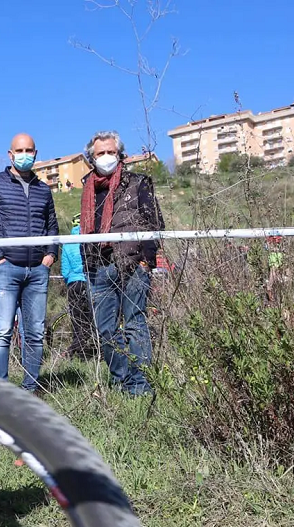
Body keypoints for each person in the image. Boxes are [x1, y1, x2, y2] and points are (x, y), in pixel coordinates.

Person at [0, 133, 59, 392]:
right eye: (19, 151)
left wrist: (50, 255)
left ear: (36, 153)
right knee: (2, 331)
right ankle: (1, 392)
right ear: (10, 154)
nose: (24, 155)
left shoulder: (44, 189)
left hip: (38, 271)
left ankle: (30, 390)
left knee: (35, 333)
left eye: (29, 150)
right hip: (5, 269)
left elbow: (52, 226)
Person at [80, 130, 164, 396]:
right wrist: (86, 261)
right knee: (105, 330)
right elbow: (86, 230)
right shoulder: (88, 188)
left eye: (111, 152)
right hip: (98, 266)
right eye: (100, 153)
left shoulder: (138, 183)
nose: (106, 157)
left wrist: (146, 262)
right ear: (91, 158)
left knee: (135, 324)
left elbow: (154, 223)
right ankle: (123, 379)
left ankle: (140, 386)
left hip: (132, 264)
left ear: (120, 154)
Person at [60, 214, 94, 359]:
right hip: (90, 281)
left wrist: (70, 279)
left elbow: (65, 271)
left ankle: (78, 351)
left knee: (77, 319)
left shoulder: (67, 242)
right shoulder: (91, 238)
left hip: (74, 284)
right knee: (92, 317)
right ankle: (93, 349)